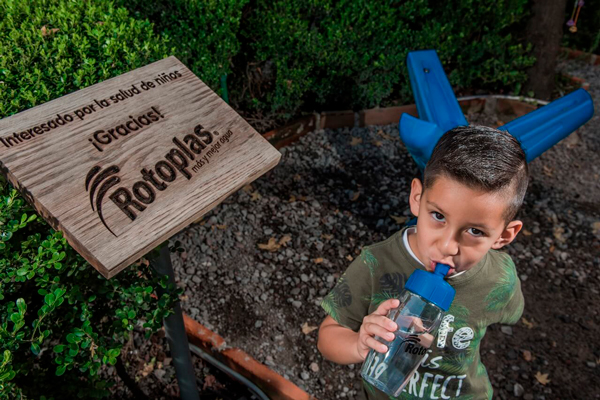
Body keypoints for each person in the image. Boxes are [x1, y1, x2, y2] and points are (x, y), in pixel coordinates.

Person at [317, 125, 528, 399]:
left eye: (475, 231)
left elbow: (512, 311)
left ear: (504, 235)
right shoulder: (376, 264)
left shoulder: (499, 278)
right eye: (438, 216)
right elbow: (327, 336)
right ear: (417, 198)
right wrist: (359, 344)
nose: (447, 246)